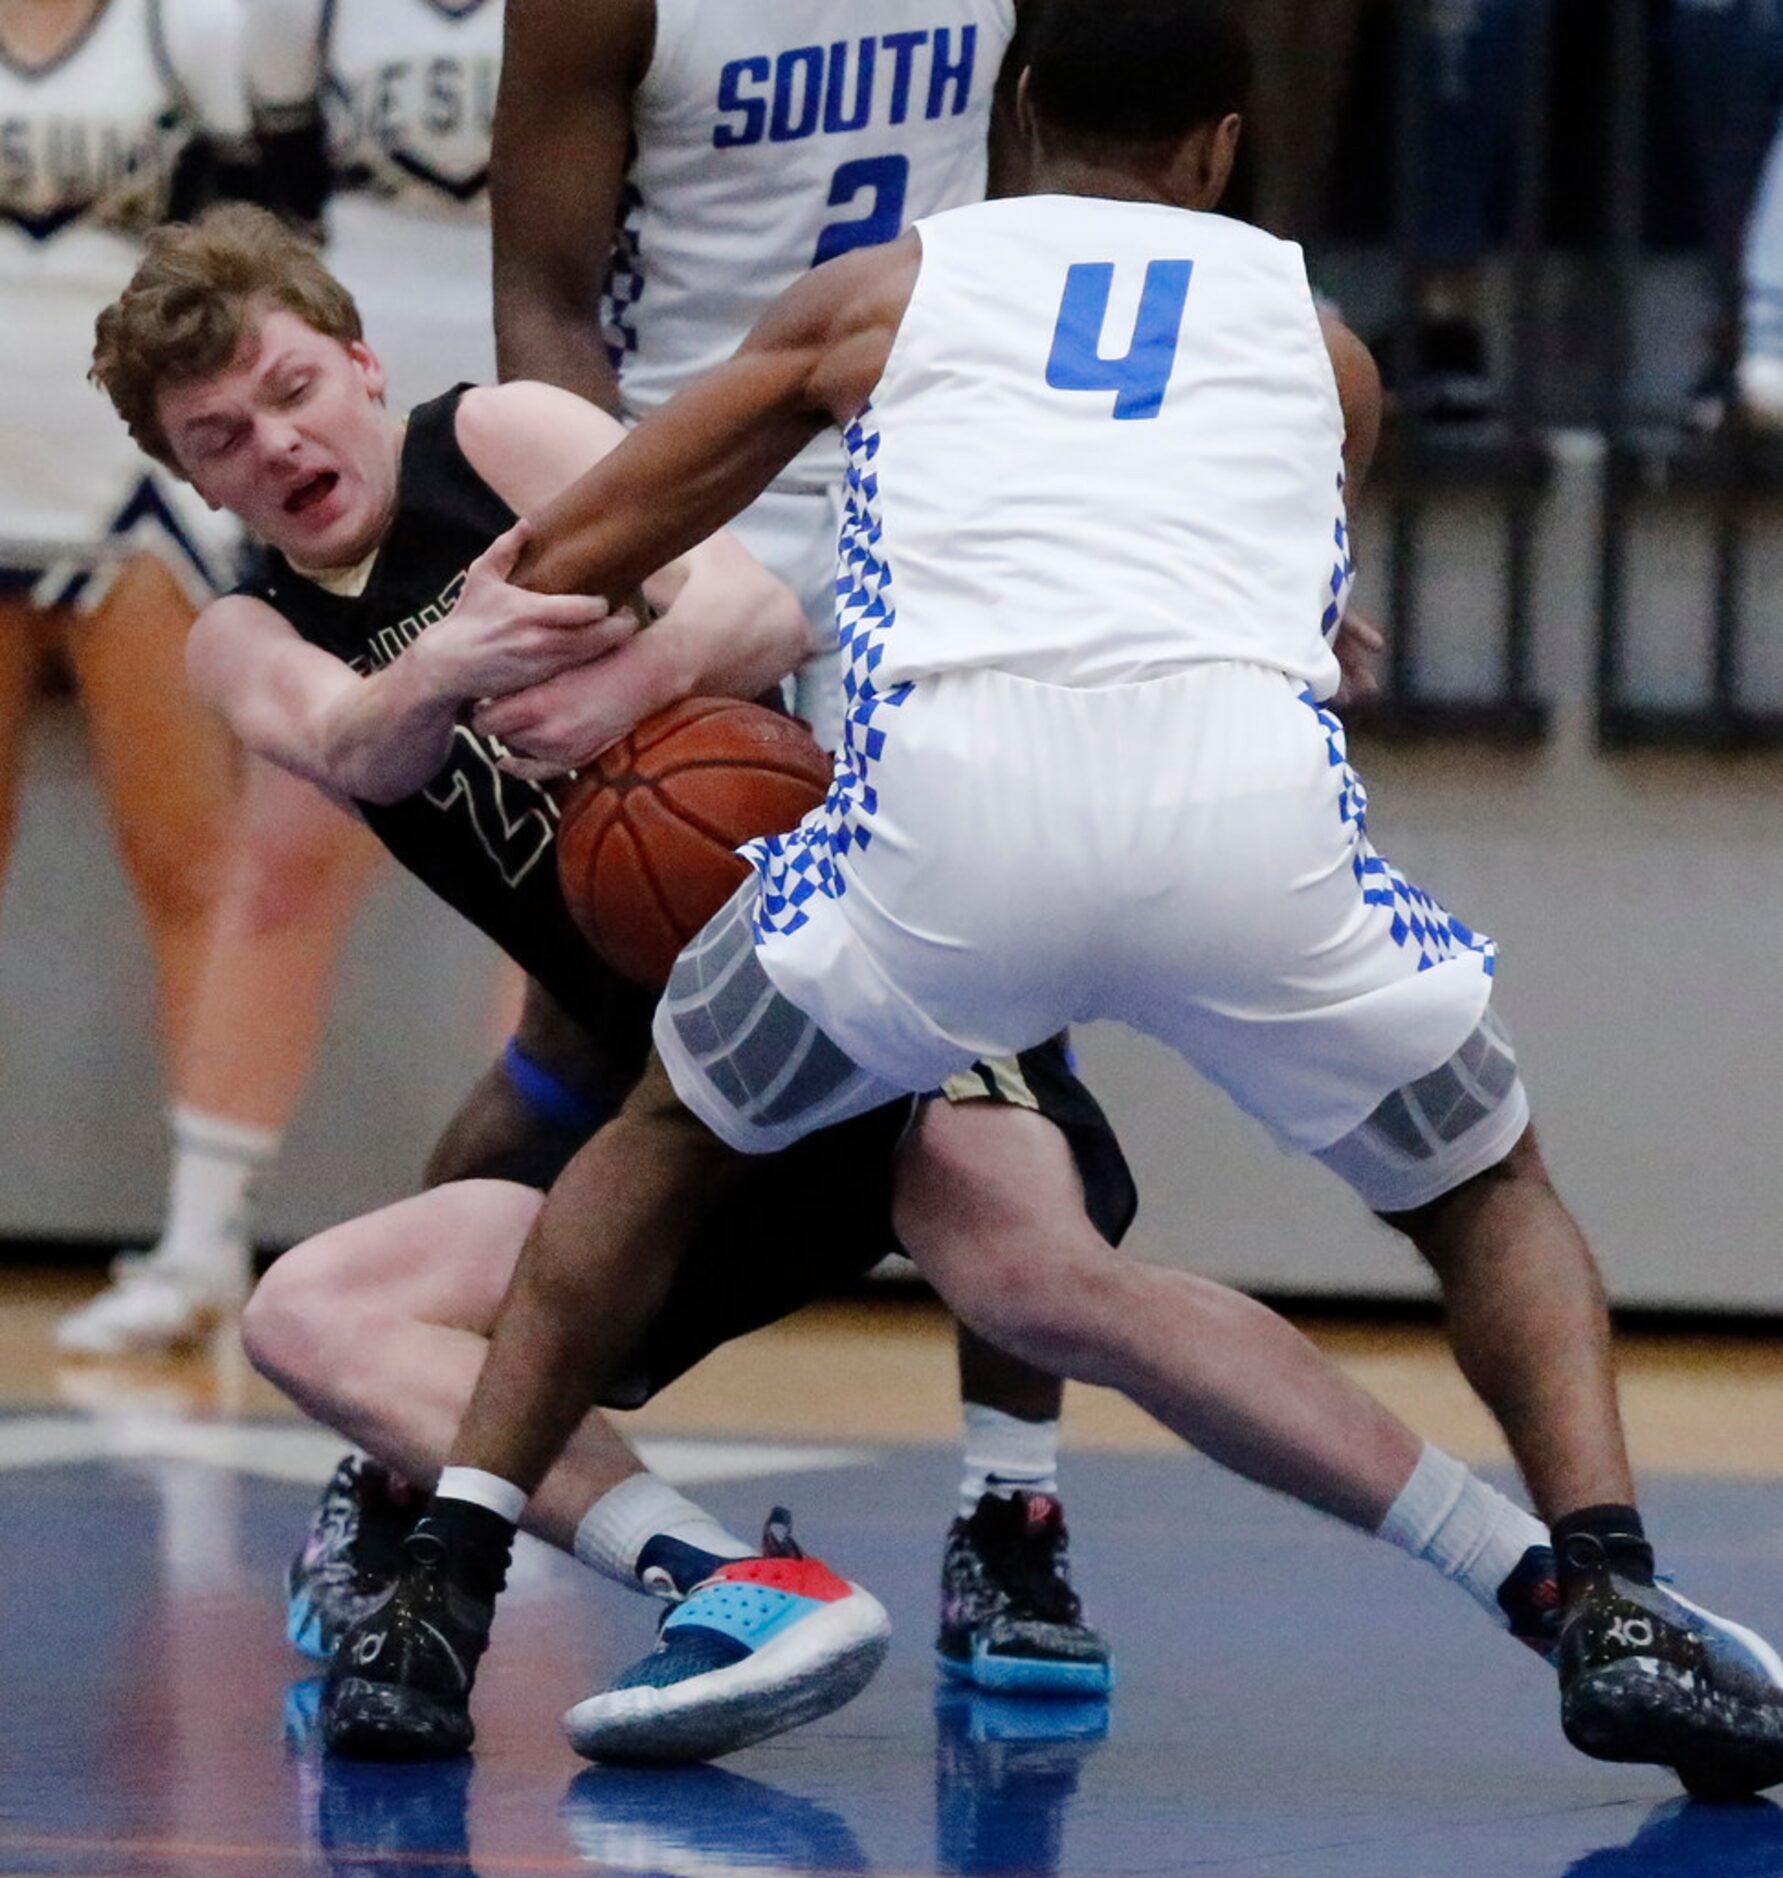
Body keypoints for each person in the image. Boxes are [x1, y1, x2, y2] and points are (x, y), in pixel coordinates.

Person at [300, 0, 1783, 1794]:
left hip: (954, 819)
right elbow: (1290, 582)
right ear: (1225, 151)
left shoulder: (882, 294)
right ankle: (1609, 1588)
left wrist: (503, 618)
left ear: (1016, 111)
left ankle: (441, 1586)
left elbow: (610, 523)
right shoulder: (1330, 353)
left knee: (667, 1124)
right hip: (1247, 825)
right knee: (1490, 1189)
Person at [88, 202, 1147, 1754]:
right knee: (314, 1311)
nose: (277, 442)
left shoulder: (506, 436)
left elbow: (758, 607)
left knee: (1054, 1277)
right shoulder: (243, 630)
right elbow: (343, 737)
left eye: (293, 386)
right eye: (222, 436)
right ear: (196, 481)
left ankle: (1520, 1562)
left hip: (852, 1001)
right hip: (677, 1091)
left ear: (365, 364)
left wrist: (634, 687)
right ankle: (733, 1579)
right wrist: (457, 654)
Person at [492, 0, 1137, 1696]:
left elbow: (1049, 225)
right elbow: (544, 307)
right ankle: (415, 1453)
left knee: (1003, 1017)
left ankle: (1011, 1521)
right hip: (691, 511)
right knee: (592, 1020)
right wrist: (637, 577)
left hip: (930, 514)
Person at [58, 0, 510, 1356]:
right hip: (326, 438)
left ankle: (527, 1231)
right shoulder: (297, 11)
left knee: (564, 866)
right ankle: (203, 1238)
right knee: (287, 844)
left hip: (516, 413)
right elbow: (258, 205)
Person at [0, 0, 266, 1352]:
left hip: (127, 498)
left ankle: (201, 1241)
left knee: (188, 866)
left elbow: (260, 247)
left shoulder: (193, 26)